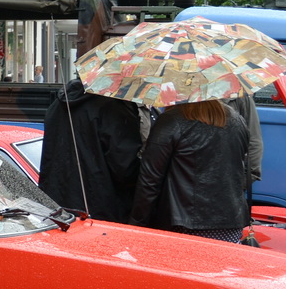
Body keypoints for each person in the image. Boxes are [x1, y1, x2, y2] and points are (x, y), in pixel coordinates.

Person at [129, 99, 251, 242]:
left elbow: (150, 181)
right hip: (231, 223)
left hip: (184, 224)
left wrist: (136, 225)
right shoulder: (236, 119)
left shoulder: (171, 120)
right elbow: (244, 169)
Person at [39, 80, 146, 223]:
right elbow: (126, 170)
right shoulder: (114, 107)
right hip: (100, 212)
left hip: (57, 209)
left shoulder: (58, 104)